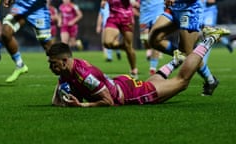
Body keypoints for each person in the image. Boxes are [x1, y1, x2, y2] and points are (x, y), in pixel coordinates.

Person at [47, 27, 229, 107]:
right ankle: (175, 60)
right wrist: (59, 101)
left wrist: (82, 106)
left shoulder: (85, 75)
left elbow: (108, 102)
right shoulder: (67, 67)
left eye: (53, 64)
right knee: (150, 84)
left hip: (128, 94)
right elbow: (58, 93)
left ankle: (209, 39)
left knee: (181, 82)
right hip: (121, 84)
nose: (50, 67)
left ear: (63, 61)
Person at [149, 0, 219, 96]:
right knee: (154, 39)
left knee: (189, 54)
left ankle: (210, 80)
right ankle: (181, 56)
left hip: (189, 10)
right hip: (173, 9)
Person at [1, 0, 53, 83]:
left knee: (48, 47)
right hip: (21, 6)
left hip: (37, 9)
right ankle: (20, 65)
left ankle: (71, 70)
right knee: (5, 32)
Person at [101, 0, 138, 79]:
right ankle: (124, 47)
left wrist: (134, 2)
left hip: (126, 18)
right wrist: (103, 1)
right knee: (107, 43)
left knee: (129, 45)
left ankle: (133, 68)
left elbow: (135, 3)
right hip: (113, 17)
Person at [139, 0, 165, 75]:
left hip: (158, 10)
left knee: (155, 39)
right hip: (145, 12)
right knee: (144, 38)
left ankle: (152, 67)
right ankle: (150, 50)